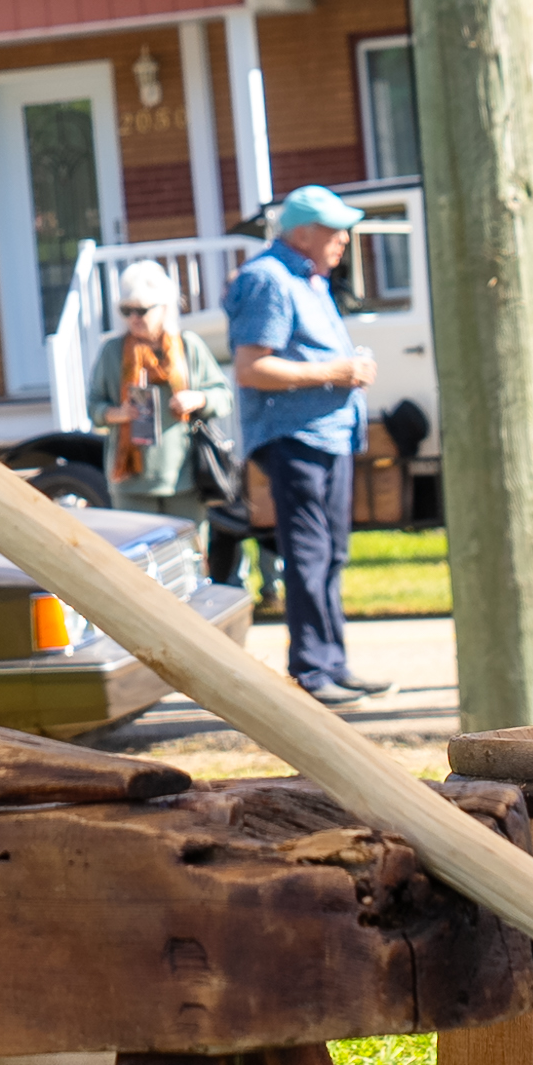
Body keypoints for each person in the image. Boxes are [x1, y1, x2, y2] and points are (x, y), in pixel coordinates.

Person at [223, 186, 376, 709]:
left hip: (328, 436)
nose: (344, 240)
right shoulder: (268, 279)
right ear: (303, 231)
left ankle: (333, 662)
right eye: (335, 231)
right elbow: (252, 368)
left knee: (332, 553)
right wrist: (338, 371)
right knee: (309, 555)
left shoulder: (308, 279)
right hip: (295, 440)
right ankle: (311, 670)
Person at [104, 256, 231, 523]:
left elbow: (224, 395)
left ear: (164, 307)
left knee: (189, 560)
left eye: (142, 310)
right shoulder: (113, 352)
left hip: (184, 478)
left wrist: (198, 398)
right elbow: (94, 405)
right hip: (131, 484)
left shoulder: (188, 346)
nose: (134, 318)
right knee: (135, 564)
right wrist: (120, 413)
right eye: (126, 311)